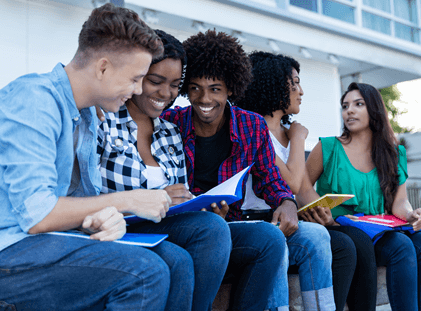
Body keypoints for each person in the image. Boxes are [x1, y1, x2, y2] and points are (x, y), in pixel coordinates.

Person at [0, 4, 187, 310]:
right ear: (102, 68)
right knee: (144, 273)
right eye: (135, 78)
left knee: (174, 260)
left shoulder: (86, 114)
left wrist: (102, 219)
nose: (138, 89)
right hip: (10, 248)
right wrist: (127, 201)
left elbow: (78, 201)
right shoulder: (34, 100)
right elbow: (38, 214)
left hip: (42, 243)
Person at [97, 29, 231, 311]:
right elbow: (87, 190)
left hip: (160, 223)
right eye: (156, 81)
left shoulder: (169, 132)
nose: (166, 94)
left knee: (213, 226)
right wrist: (155, 195)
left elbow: (178, 193)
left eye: (174, 84)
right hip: (115, 224)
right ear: (136, 76)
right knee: (177, 260)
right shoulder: (104, 119)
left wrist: (193, 204)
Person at [162, 30, 293, 311]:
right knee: (211, 229)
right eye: (195, 87)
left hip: (228, 224)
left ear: (231, 88)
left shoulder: (252, 126)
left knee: (270, 239)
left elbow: (270, 179)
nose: (204, 98)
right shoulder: (170, 122)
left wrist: (286, 201)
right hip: (182, 225)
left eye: (215, 89)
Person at [236, 51, 351, 311]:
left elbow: (302, 192)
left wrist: (323, 211)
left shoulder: (288, 133)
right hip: (255, 221)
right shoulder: (254, 130)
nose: (301, 91)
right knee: (277, 243)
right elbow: (291, 185)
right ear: (273, 84)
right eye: (295, 83)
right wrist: (299, 139)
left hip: (285, 218)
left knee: (328, 236)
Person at [297, 82, 421, 311]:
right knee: (402, 245)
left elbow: (399, 202)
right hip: (341, 228)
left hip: (379, 229)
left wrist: (412, 214)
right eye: (345, 106)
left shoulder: (394, 153)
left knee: (420, 238)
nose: (349, 111)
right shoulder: (328, 147)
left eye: (358, 104)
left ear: (374, 110)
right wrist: (320, 211)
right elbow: (303, 188)